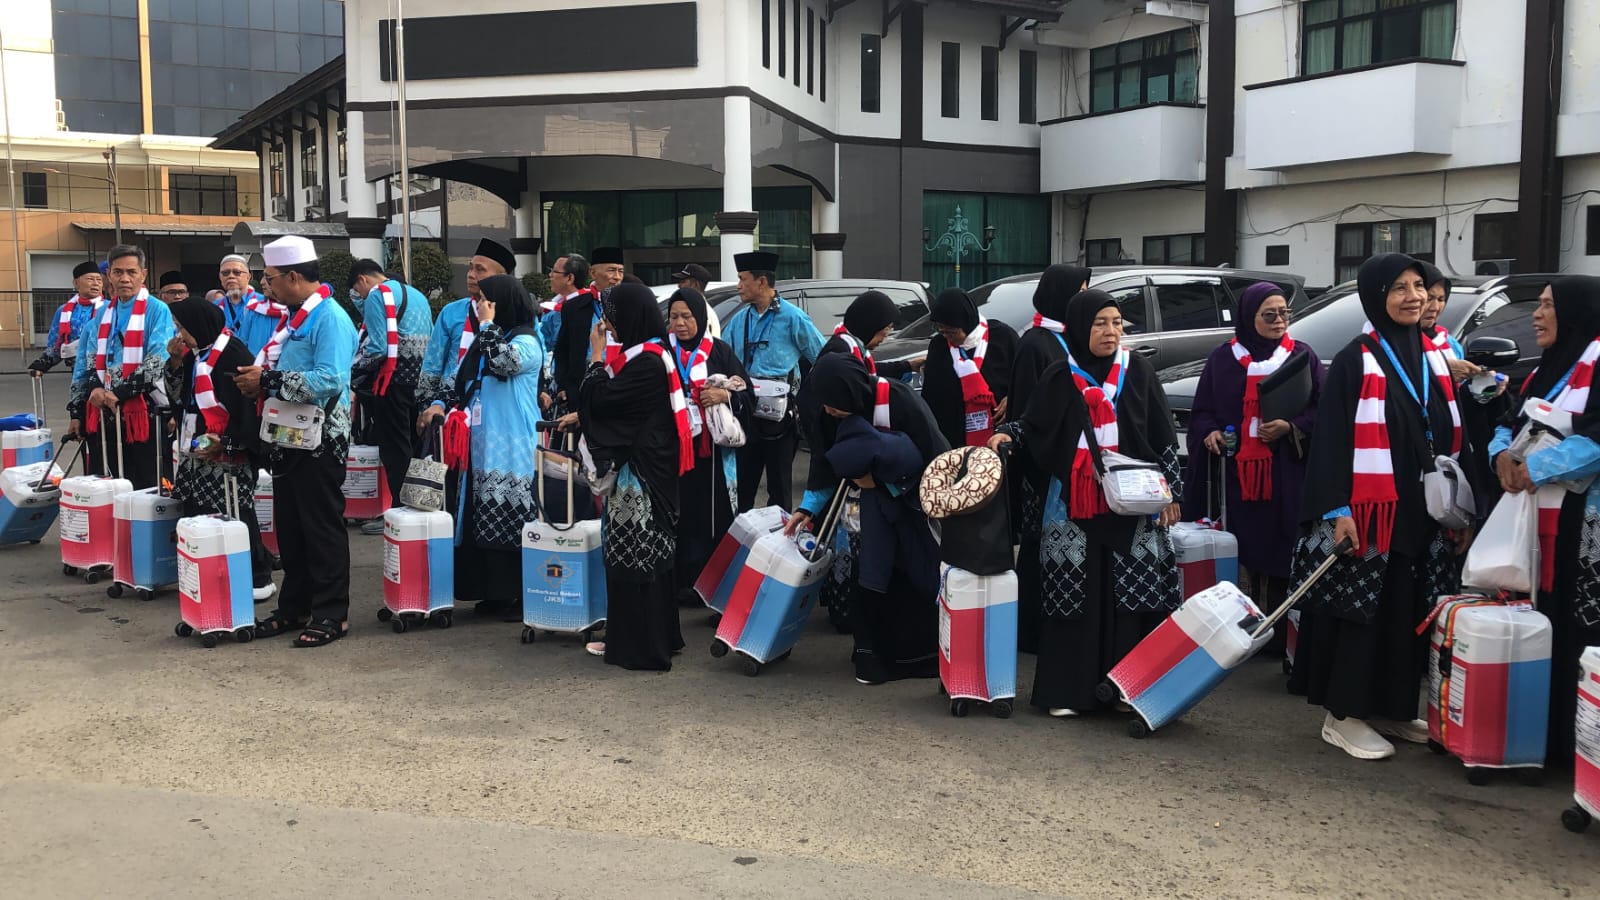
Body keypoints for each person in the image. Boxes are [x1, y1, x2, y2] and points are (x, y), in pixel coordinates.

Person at [1290, 253, 1474, 760]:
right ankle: (1344, 715)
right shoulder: (1357, 358)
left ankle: (1391, 707)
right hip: (1371, 511)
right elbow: (1330, 441)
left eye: (1419, 286)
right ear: (1376, 296)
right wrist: (1337, 510)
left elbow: (1443, 427)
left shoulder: (1432, 354)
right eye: (1399, 288)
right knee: (1362, 611)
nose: (1413, 296)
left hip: (1421, 510)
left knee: (1408, 609)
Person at [990, 288, 1184, 718]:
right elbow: (1036, 424)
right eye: (1100, 323)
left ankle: (1127, 690)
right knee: (1073, 591)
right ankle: (1069, 692)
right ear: (1079, 327)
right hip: (1073, 502)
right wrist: (1009, 435)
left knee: (1133, 596)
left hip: (1133, 501)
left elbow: (1162, 431)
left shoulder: (1139, 371)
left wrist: (1173, 491)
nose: (1111, 331)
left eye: (1117, 323)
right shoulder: (1061, 375)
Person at [1490, 276, 1600, 765]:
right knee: (1543, 624)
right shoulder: (1545, 371)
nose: (1536, 314)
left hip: (1584, 525)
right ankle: (1544, 740)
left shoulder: (1595, 362)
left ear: (1574, 313)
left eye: (1547, 305)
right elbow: (1510, 423)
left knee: (1580, 633)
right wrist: (1501, 457)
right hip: (1537, 522)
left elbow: (1597, 438)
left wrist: (1534, 467)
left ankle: (1578, 749)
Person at [791, 352, 949, 684]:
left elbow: (936, 453)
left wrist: (885, 482)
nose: (828, 410)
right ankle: (871, 657)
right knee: (870, 576)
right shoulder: (829, 413)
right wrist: (807, 509)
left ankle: (920, 659)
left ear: (850, 390)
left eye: (834, 402)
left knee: (913, 576)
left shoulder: (898, 398)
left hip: (911, 506)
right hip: (862, 514)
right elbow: (823, 461)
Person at [1185, 282, 1324, 654]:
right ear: (1249, 318)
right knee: (1242, 548)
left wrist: (1291, 427)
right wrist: (1211, 433)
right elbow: (1202, 411)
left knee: (1282, 546)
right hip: (1237, 475)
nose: (1280, 321)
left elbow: (1320, 408)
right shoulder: (1223, 359)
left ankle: (1276, 635)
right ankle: (1237, 626)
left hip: (1286, 472)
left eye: (1285, 314)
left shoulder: (1302, 357)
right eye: (1270, 315)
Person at [233, 235, 358, 648]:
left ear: (291, 277)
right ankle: (294, 607)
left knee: (321, 526)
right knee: (290, 527)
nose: (266, 286)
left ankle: (331, 613)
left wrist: (268, 380)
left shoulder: (330, 318)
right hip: (289, 435)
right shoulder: (296, 317)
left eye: (269, 279)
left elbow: (330, 380)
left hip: (322, 438)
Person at [577, 282, 693, 670]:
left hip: (639, 476)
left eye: (613, 315)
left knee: (634, 558)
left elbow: (603, 401)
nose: (609, 324)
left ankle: (637, 647)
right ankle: (658, 637)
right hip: (652, 470)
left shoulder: (645, 362)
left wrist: (595, 359)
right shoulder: (653, 355)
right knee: (653, 558)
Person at [162, 296, 275, 602]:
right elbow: (179, 398)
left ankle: (255, 576)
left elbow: (250, 413)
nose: (180, 335)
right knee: (199, 510)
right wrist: (174, 363)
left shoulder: (233, 355)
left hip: (229, 451)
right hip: (198, 445)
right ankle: (213, 572)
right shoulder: (197, 355)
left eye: (183, 328)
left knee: (237, 513)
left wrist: (225, 443)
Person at [450, 274, 544, 621]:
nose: (479, 306)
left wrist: (487, 324)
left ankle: (515, 594)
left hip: (513, 443)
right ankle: (491, 592)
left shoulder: (527, 340)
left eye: (486, 300)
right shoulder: (494, 336)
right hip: (484, 441)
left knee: (510, 514)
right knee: (482, 513)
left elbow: (505, 363)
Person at [1008, 264, 1091, 654]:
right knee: (1037, 545)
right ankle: (1030, 630)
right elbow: (1027, 410)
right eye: (1082, 289)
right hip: (1041, 464)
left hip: (1072, 464)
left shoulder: (1071, 339)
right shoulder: (1036, 343)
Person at [664, 288, 752, 603]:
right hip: (673, 449)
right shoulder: (663, 352)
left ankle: (713, 586)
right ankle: (678, 582)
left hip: (712, 452)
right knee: (676, 514)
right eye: (674, 317)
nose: (680, 323)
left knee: (712, 515)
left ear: (700, 318)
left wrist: (725, 396)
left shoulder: (719, 352)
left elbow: (748, 394)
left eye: (687, 316)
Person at [722, 250, 825, 511]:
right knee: (743, 485)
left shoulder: (793, 318)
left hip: (780, 415)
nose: (738, 286)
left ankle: (778, 543)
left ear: (762, 282)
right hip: (746, 412)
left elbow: (822, 358)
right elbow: (723, 358)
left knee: (779, 487)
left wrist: (806, 399)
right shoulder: (739, 320)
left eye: (743, 279)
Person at [68, 245, 176, 487]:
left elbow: (158, 359)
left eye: (131, 272)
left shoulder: (158, 310)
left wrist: (119, 393)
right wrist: (93, 390)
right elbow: (91, 359)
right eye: (118, 272)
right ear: (110, 276)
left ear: (143, 274)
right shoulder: (104, 313)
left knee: (147, 485)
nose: (125, 278)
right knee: (108, 483)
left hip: (143, 411)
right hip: (105, 411)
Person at [349, 258, 434, 534]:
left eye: (356, 290)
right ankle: (423, 508)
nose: (360, 297)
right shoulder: (416, 294)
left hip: (392, 381)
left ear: (363, 280)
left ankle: (401, 511)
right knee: (418, 446)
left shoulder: (377, 295)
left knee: (395, 449)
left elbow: (378, 345)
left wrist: (352, 369)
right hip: (420, 381)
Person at [919, 287, 1019, 449]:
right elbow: (931, 395)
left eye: (951, 332)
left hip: (998, 435)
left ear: (966, 322)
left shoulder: (1002, 337)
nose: (947, 337)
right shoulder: (939, 346)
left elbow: (1022, 378)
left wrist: (1012, 398)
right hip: (954, 439)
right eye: (942, 331)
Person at [816, 289, 919, 381]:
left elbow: (867, 370)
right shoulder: (840, 351)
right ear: (871, 325)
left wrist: (909, 365)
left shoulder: (851, 346)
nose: (887, 335)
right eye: (887, 328)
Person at [28, 260, 104, 377]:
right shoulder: (64, 311)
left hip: (106, 371)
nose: (96, 283)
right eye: (90, 279)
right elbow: (56, 346)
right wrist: (42, 364)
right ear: (76, 283)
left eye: (99, 280)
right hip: (77, 373)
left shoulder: (110, 308)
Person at [214, 253, 285, 356]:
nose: (231, 276)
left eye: (237, 272)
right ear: (220, 277)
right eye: (225, 273)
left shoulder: (265, 305)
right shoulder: (214, 307)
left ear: (248, 276)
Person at [537, 252, 591, 369]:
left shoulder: (589, 306)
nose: (550, 275)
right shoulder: (554, 307)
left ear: (570, 278)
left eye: (554, 271)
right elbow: (543, 343)